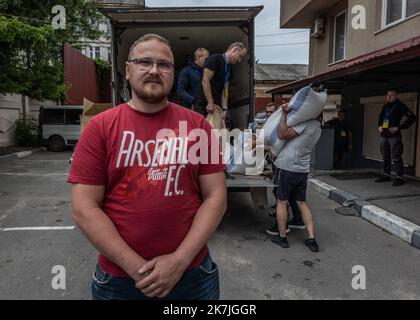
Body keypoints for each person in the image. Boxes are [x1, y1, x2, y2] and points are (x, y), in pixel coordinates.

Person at [68, 34, 227, 300]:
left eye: (164, 64)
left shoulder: (199, 126)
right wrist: (138, 269)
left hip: (193, 277)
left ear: (173, 74)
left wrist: (178, 261)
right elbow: (84, 208)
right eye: (144, 62)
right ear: (128, 71)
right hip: (119, 281)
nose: (154, 70)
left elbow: (216, 197)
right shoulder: (99, 128)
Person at [271, 103, 322, 252]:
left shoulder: (306, 124)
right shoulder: (318, 128)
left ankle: (282, 238)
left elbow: (282, 134)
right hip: (302, 169)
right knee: (301, 202)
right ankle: (311, 239)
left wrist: (284, 114)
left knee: (281, 201)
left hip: (288, 167)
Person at [375, 89, 416, 186]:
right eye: (387, 95)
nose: (389, 97)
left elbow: (412, 118)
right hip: (384, 135)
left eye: (391, 95)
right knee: (385, 155)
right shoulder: (385, 106)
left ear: (396, 96)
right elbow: (381, 117)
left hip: (394, 136)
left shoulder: (400, 106)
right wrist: (379, 126)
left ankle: (399, 177)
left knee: (396, 156)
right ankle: (386, 175)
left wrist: (399, 127)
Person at [195, 42, 248, 117]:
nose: (239, 60)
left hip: (215, 103)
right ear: (235, 50)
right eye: (240, 56)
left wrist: (225, 108)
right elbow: (205, 80)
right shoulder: (214, 59)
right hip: (203, 103)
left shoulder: (230, 69)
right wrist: (210, 102)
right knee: (202, 128)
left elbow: (225, 89)